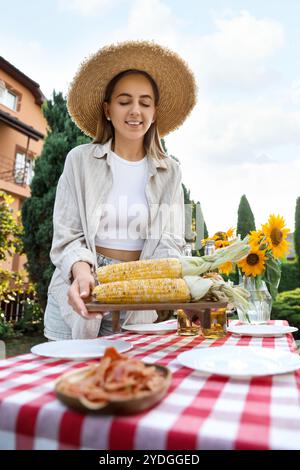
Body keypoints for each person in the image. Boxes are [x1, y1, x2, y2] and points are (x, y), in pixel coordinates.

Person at [44, 40, 197, 340]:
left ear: (155, 112)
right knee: (70, 382)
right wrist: (82, 271)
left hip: (139, 295)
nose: (135, 111)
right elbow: (67, 234)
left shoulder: (171, 172)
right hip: (79, 289)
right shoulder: (80, 161)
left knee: (130, 381)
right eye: (124, 101)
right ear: (108, 109)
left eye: (145, 102)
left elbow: (171, 241)